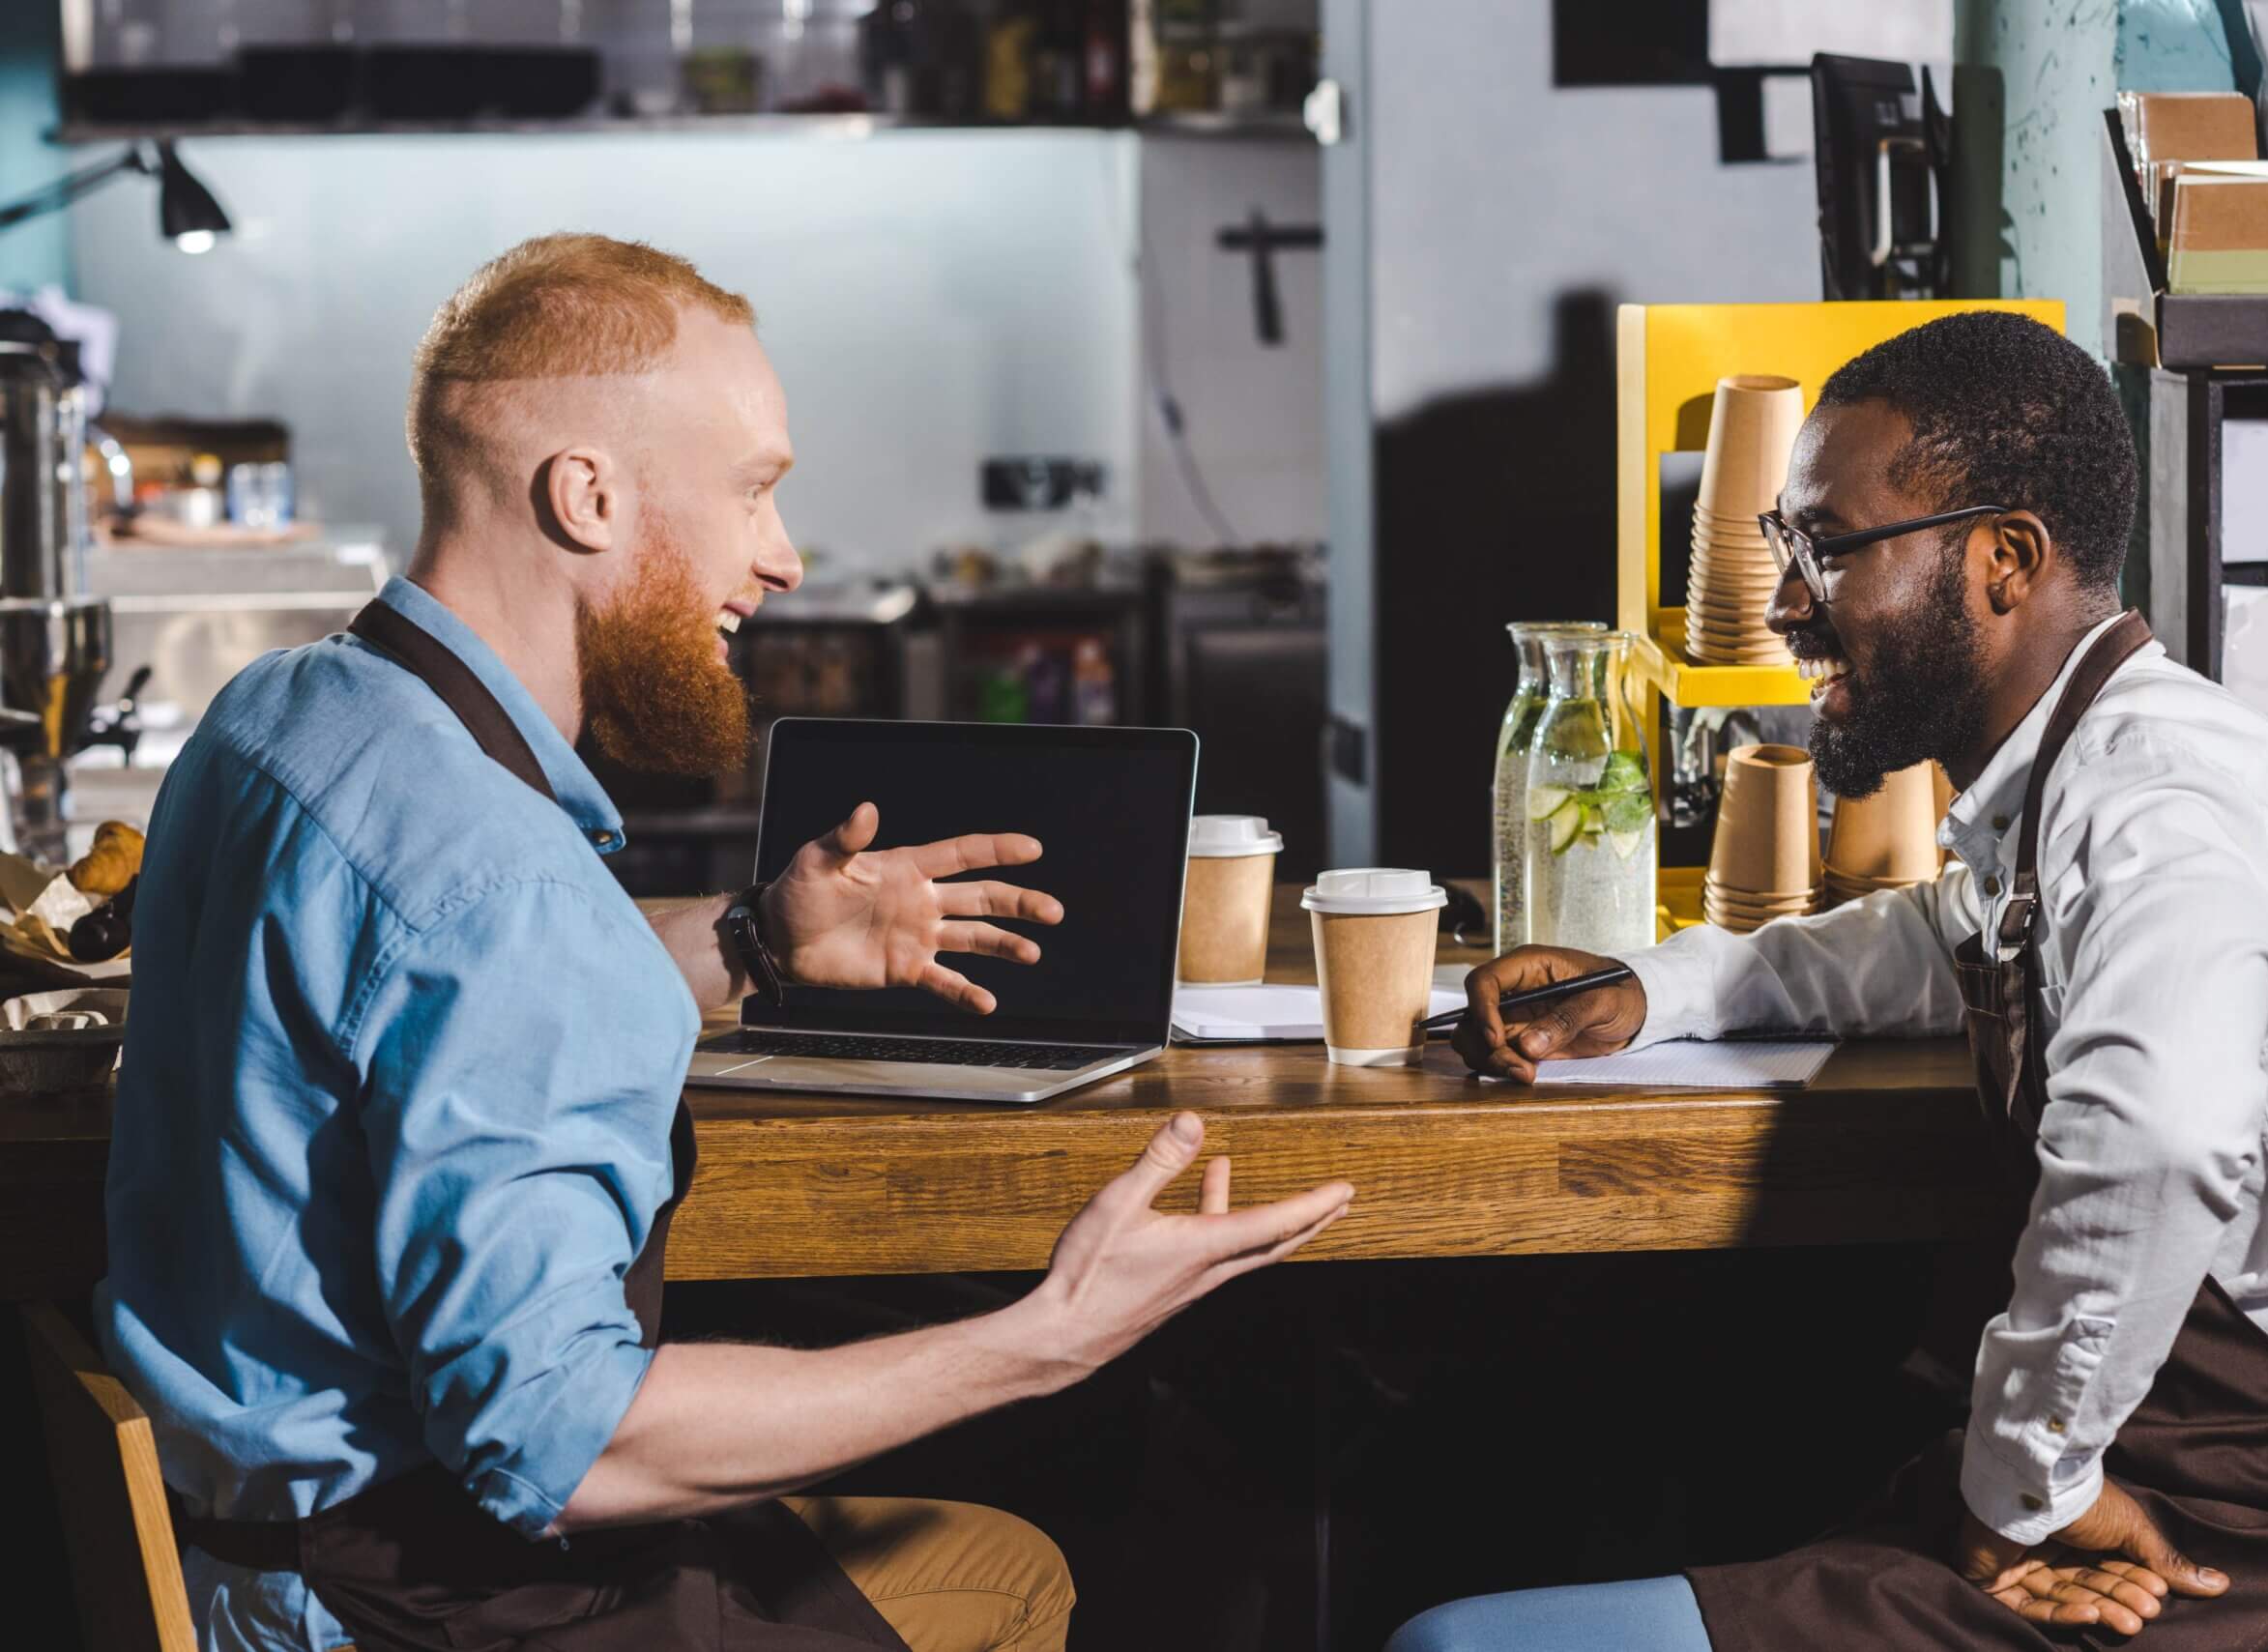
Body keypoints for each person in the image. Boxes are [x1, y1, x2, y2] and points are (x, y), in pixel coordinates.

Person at [99, 233, 1353, 1652]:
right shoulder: (506, 885)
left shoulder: (283, 716)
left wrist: (757, 940)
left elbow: (415, 986)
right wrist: (1045, 1335)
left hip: (241, 1557)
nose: (782, 556)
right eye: (753, 489)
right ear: (587, 495)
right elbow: (560, 1445)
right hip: (418, 1602)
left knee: (997, 1566)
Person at [1394, 311, 2268, 1652]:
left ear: (2004, 560)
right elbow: (1940, 939)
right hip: (2131, 1465)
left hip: (2247, 1530)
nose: (1788, 598)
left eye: (1826, 548)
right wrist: (1658, 989)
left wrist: (2031, 1484)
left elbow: (2155, 1142)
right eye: (1787, 548)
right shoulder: (2065, 777)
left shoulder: (2169, 805)